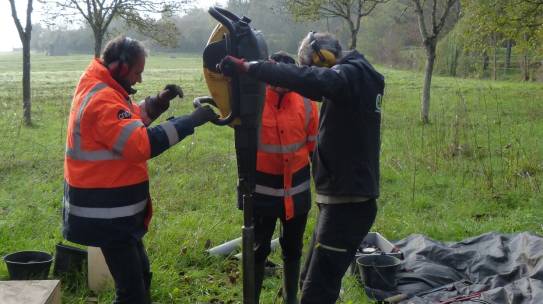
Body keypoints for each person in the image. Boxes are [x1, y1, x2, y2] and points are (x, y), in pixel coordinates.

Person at [219, 32, 384, 303]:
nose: (308, 73)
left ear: (323, 58)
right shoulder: (356, 78)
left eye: (309, 66)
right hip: (339, 200)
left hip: (347, 205)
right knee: (309, 278)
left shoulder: (351, 75)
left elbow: (314, 81)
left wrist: (251, 67)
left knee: (317, 291)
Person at [63, 35, 217, 304]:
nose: (139, 80)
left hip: (113, 213)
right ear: (121, 68)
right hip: (106, 214)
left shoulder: (103, 88)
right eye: (137, 72)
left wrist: (158, 101)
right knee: (132, 293)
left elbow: (127, 120)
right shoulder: (102, 100)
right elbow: (139, 144)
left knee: (141, 278)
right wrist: (189, 122)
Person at [251, 51, 318, 304]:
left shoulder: (307, 103)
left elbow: (315, 150)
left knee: (293, 250)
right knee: (258, 251)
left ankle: (291, 299)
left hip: (298, 195)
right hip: (261, 197)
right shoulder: (253, 102)